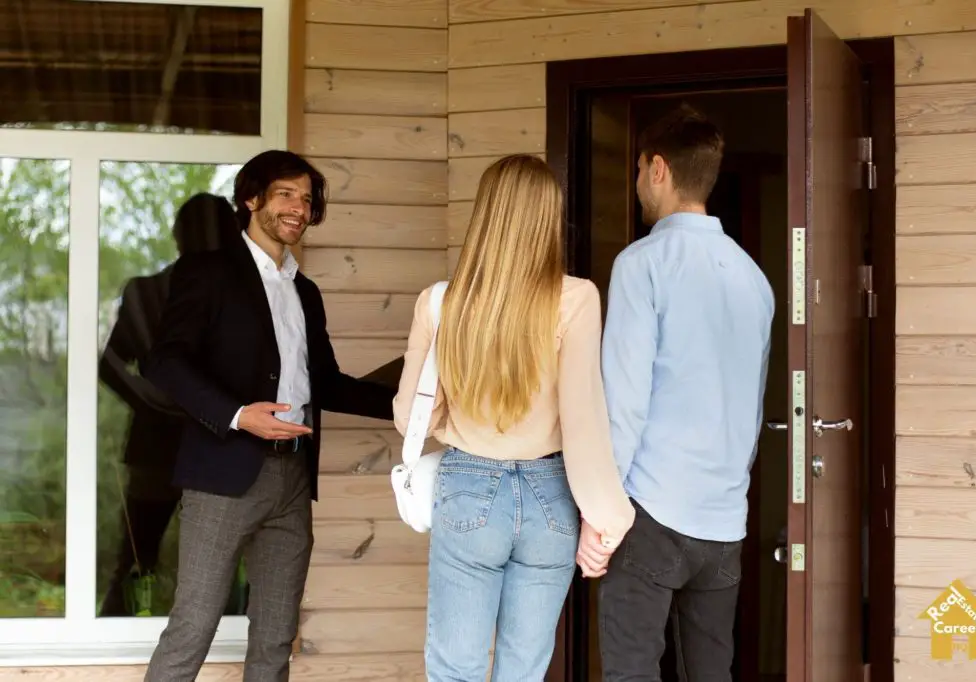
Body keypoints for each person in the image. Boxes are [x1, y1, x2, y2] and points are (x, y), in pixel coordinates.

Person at [141, 150, 395, 682]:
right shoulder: (208, 272)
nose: (299, 208)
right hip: (221, 475)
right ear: (252, 199)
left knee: (276, 634)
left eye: (306, 199)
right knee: (194, 626)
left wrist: (410, 403)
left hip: (292, 478)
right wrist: (237, 415)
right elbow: (163, 361)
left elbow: (326, 383)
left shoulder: (305, 291)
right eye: (285, 193)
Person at [393, 154, 635, 681]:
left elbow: (410, 415)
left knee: (455, 670)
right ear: (548, 217)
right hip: (553, 493)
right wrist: (606, 519)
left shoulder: (440, 303)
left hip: (468, 483)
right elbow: (583, 418)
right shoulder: (578, 298)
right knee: (524, 673)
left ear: (486, 214)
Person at [589, 104, 775, 681]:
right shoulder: (754, 276)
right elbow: (754, 401)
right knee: (710, 673)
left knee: (631, 672)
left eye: (641, 169)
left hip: (651, 506)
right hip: (724, 517)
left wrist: (603, 512)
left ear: (659, 169)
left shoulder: (642, 263)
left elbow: (624, 398)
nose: (639, 182)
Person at [98, 192, 239, 617]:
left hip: (210, 446)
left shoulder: (151, 292)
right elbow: (109, 362)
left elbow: (110, 364)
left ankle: (129, 626)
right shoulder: (148, 293)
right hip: (181, 448)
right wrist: (149, 400)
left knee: (152, 557)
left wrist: (148, 400)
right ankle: (122, 630)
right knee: (145, 556)